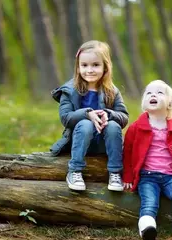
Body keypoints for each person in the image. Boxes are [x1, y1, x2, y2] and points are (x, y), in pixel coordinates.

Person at [122, 80, 172, 240]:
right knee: (149, 202)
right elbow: (127, 153)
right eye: (149, 92)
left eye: (159, 92)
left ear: (170, 102)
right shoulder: (136, 128)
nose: (153, 95)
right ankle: (147, 230)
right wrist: (128, 176)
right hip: (147, 177)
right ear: (144, 101)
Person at [50, 40, 129, 192]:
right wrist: (87, 114)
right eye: (84, 65)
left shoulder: (112, 91)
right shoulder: (69, 90)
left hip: (104, 143)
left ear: (105, 67)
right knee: (86, 123)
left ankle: (115, 173)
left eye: (95, 65)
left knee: (113, 125)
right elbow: (66, 118)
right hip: (78, 141)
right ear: (78, 67)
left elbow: (124, 116)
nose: (90, 70)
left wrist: (108, 114)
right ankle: (75, 171)